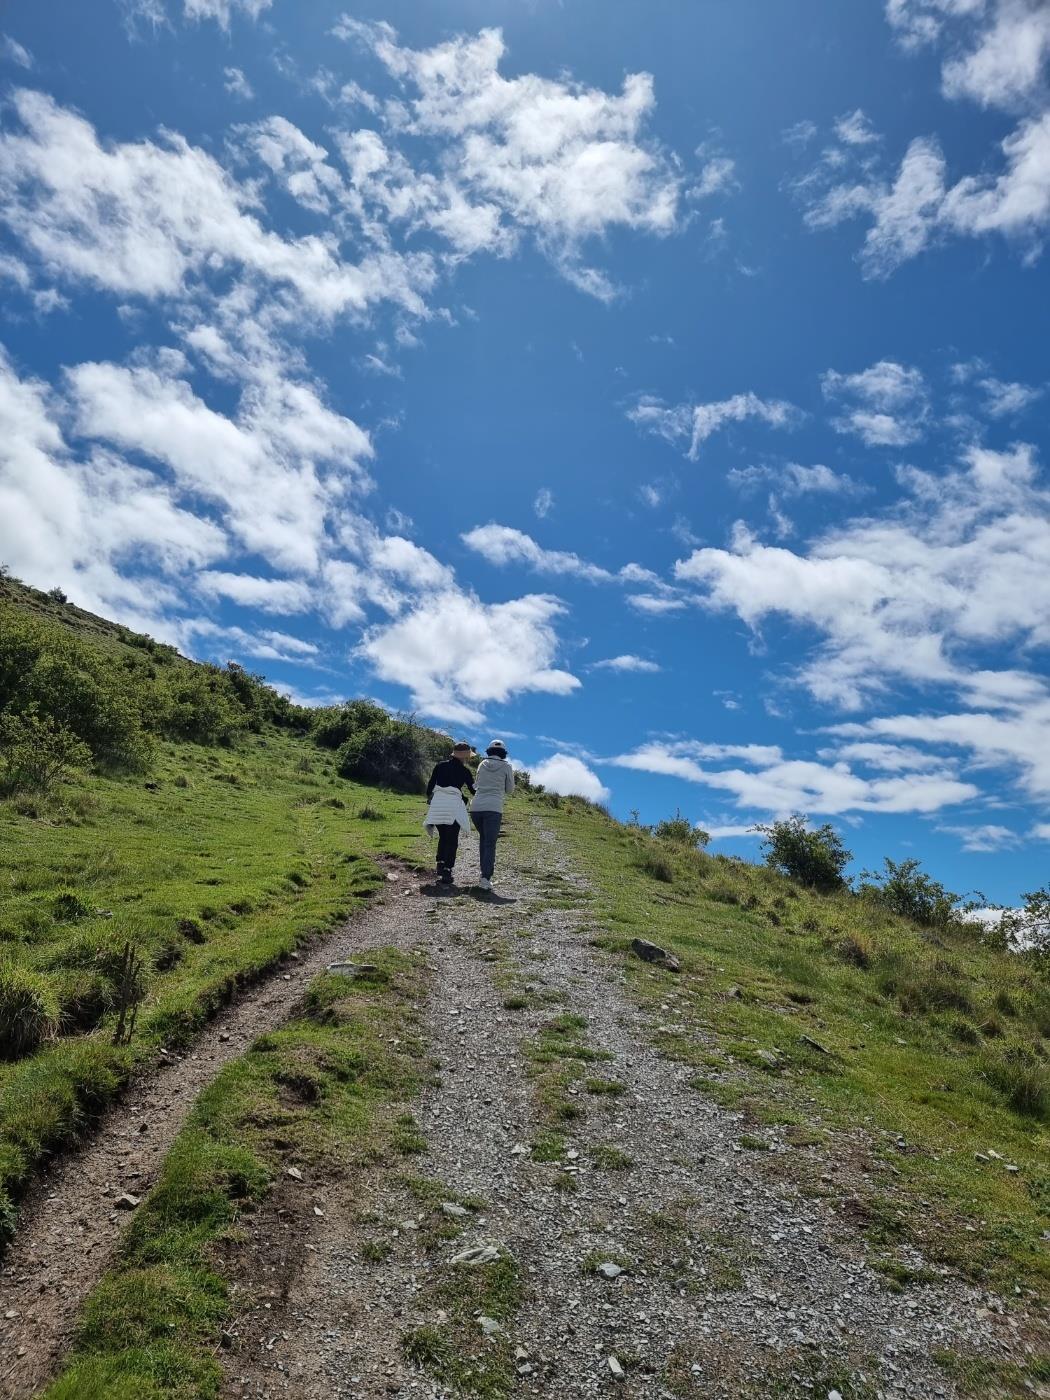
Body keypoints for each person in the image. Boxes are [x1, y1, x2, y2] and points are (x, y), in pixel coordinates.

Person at [424, 742, 476, 885]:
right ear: (465, 756)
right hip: (453, 806)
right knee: (452, 839)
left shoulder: (440, 766)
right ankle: (447, 870)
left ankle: (440, 863)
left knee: (443, 835)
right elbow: (473, 790)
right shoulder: (465, 771)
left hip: (438, 804)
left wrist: (430, 797)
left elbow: (431, 784)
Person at [470, 740, 515, 892]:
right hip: (493, 808)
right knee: (490, 843)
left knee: (484, 839)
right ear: (503, 753)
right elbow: (510, 790)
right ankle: (485, 878)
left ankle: (484, 874)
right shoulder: (507, 766)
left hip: (476, 808)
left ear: (489, 751)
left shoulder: (482, 764)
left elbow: (476, 785)